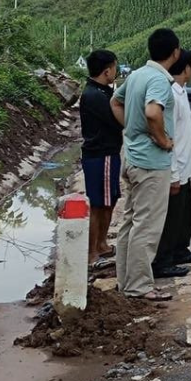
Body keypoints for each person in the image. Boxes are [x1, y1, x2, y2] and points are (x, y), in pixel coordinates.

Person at [111, 28, 180, 301]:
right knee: (147, 225)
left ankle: (126, 281)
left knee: (130, 221)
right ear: (175, 52)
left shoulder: (137, 74)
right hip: (151, 162)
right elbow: (153, 112)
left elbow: (115, 102)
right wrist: (162, 140)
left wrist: (132, 129)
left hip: (131, 155)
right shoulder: (159, 80)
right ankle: (139, 285)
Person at [152, 50, 191, 277]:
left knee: (184, 212)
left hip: (186, 165)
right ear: (185, 68)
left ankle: (180, 249)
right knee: (171, 217)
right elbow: (168, 135)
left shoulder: (183, 92)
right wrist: (173, 172)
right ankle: (163, 260)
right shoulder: (171, 95)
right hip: (176, 165)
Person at [79, 49, 122, 268]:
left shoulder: (100, 92)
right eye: (115, 67)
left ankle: (102, 244)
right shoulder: (95, 96)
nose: (116, 71)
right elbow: (118, 121)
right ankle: (92, 251)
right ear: (107, 71)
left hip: (106, 153)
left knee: (109, 200)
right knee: (98, 204)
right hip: (101, 154)